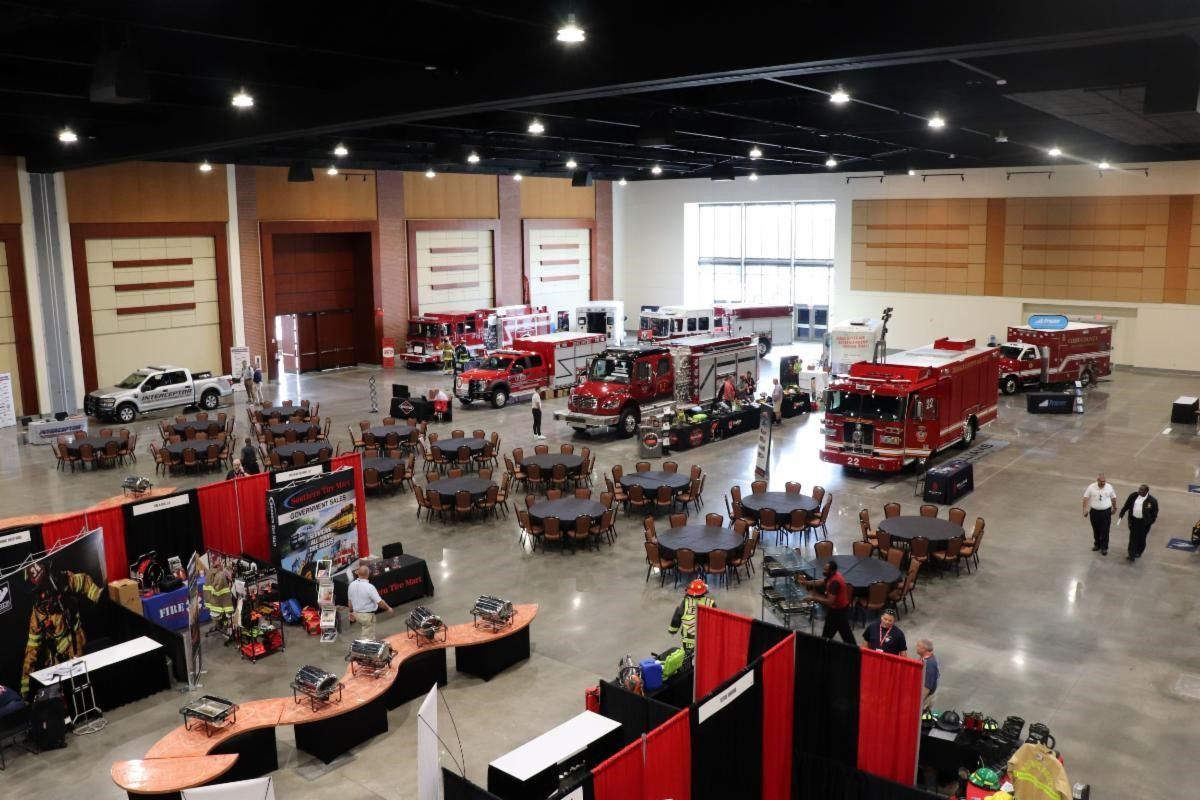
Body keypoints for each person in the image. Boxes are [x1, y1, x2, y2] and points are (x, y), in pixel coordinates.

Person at [21, 560, 103, 697]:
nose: (43, 596)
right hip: (56, 659)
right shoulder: (38, 613)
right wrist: (25, 690)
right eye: (39, 592)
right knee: (64, 693)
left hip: (76, 645)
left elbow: (84, 582)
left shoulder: (64, 580)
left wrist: (100, 597)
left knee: (83, 685)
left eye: (44, 589)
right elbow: (31, 651)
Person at [800, 559, 854, 644]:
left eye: (826, 570)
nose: (823, 571)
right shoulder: (832, 576)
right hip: (837, 610)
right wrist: (806, 583)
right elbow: (819, 582)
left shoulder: (835, 582)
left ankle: (853, 652)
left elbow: (829, 602)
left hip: (839, 611)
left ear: (831, 571)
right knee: (837, 634)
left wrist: (813, 598)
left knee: (844, 635)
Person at [667, 579, 717, 653]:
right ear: (705, 591)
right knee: (704, 655)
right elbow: (717, 621)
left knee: (688, 658)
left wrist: (672, 631)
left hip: (688, 639)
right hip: (705, 638)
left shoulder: (685, 602)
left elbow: (676, 618)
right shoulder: (710, 603)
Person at [347, 563, 391, 639]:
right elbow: (380, 602)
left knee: (367, 633)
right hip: (366, 616)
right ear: (368, 574)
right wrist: (388, 608)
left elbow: (350, 603)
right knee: (367, 637)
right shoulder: (369, 587)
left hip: (357, 614)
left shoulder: (351, 585)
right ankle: (364, 649)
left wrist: (351, 612)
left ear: (358, 574)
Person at [1119, 483, 1159, 561]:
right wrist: (1122, 513)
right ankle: (1131, 554)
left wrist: (1151, 521)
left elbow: (1155, 512)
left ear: (1146, 491)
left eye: (1141, 490)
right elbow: (1126, 505)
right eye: (1139, 489)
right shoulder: (1133, 496)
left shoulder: (1152, 500)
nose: (1139, 491)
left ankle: (1139, 551)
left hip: (1144, 523)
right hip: (1134, 520)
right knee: (1132, 537)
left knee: (1141, 538)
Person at [1082, 473, 1117, 556]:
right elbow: (1085, 498)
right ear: (1097, 480)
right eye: (1101, 482)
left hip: (1106, 512)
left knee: (1105, 530)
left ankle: (1104, 547)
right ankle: (1097, 544)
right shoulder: (1091, 487)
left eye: (1104, 482)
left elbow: (1113, 497)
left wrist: (1114, 507)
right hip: (1094, 512)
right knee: (1095, 529)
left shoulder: (1109, 487)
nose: (1103, 483)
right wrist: (1085, 509)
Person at [916, 638, 939, 710]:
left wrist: (917, 702)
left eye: (918, 646)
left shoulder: (929, 664)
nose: (916, 647)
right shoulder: (925, 658)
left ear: (924, 649)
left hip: (925, 698)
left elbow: (927, 688)